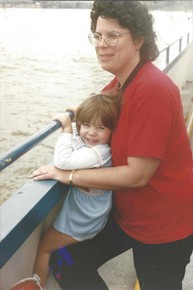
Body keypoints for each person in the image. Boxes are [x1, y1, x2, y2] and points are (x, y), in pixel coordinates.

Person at [31, 1, 193, 290]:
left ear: (139, 40)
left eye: (113, 36)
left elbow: (136, 175)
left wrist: (67, 175)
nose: (101, 44)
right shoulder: (121, 83)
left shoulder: (152, 90)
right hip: (125, 216)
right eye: (97, 35)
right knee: (65, 261)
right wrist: (73, 115)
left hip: (164, 227)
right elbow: (92, 108)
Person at [27, 89, 121, 289]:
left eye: (101, 128)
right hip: (89, 217)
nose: (92, 133)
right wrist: (81, 115)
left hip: (82, 221)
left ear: (112, 130)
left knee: (44, 248)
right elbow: (81, 141)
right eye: (86, 125)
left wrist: (68, 128)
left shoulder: (98, 154)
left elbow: (62, 160)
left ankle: (38, 286)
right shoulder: (96, 146)